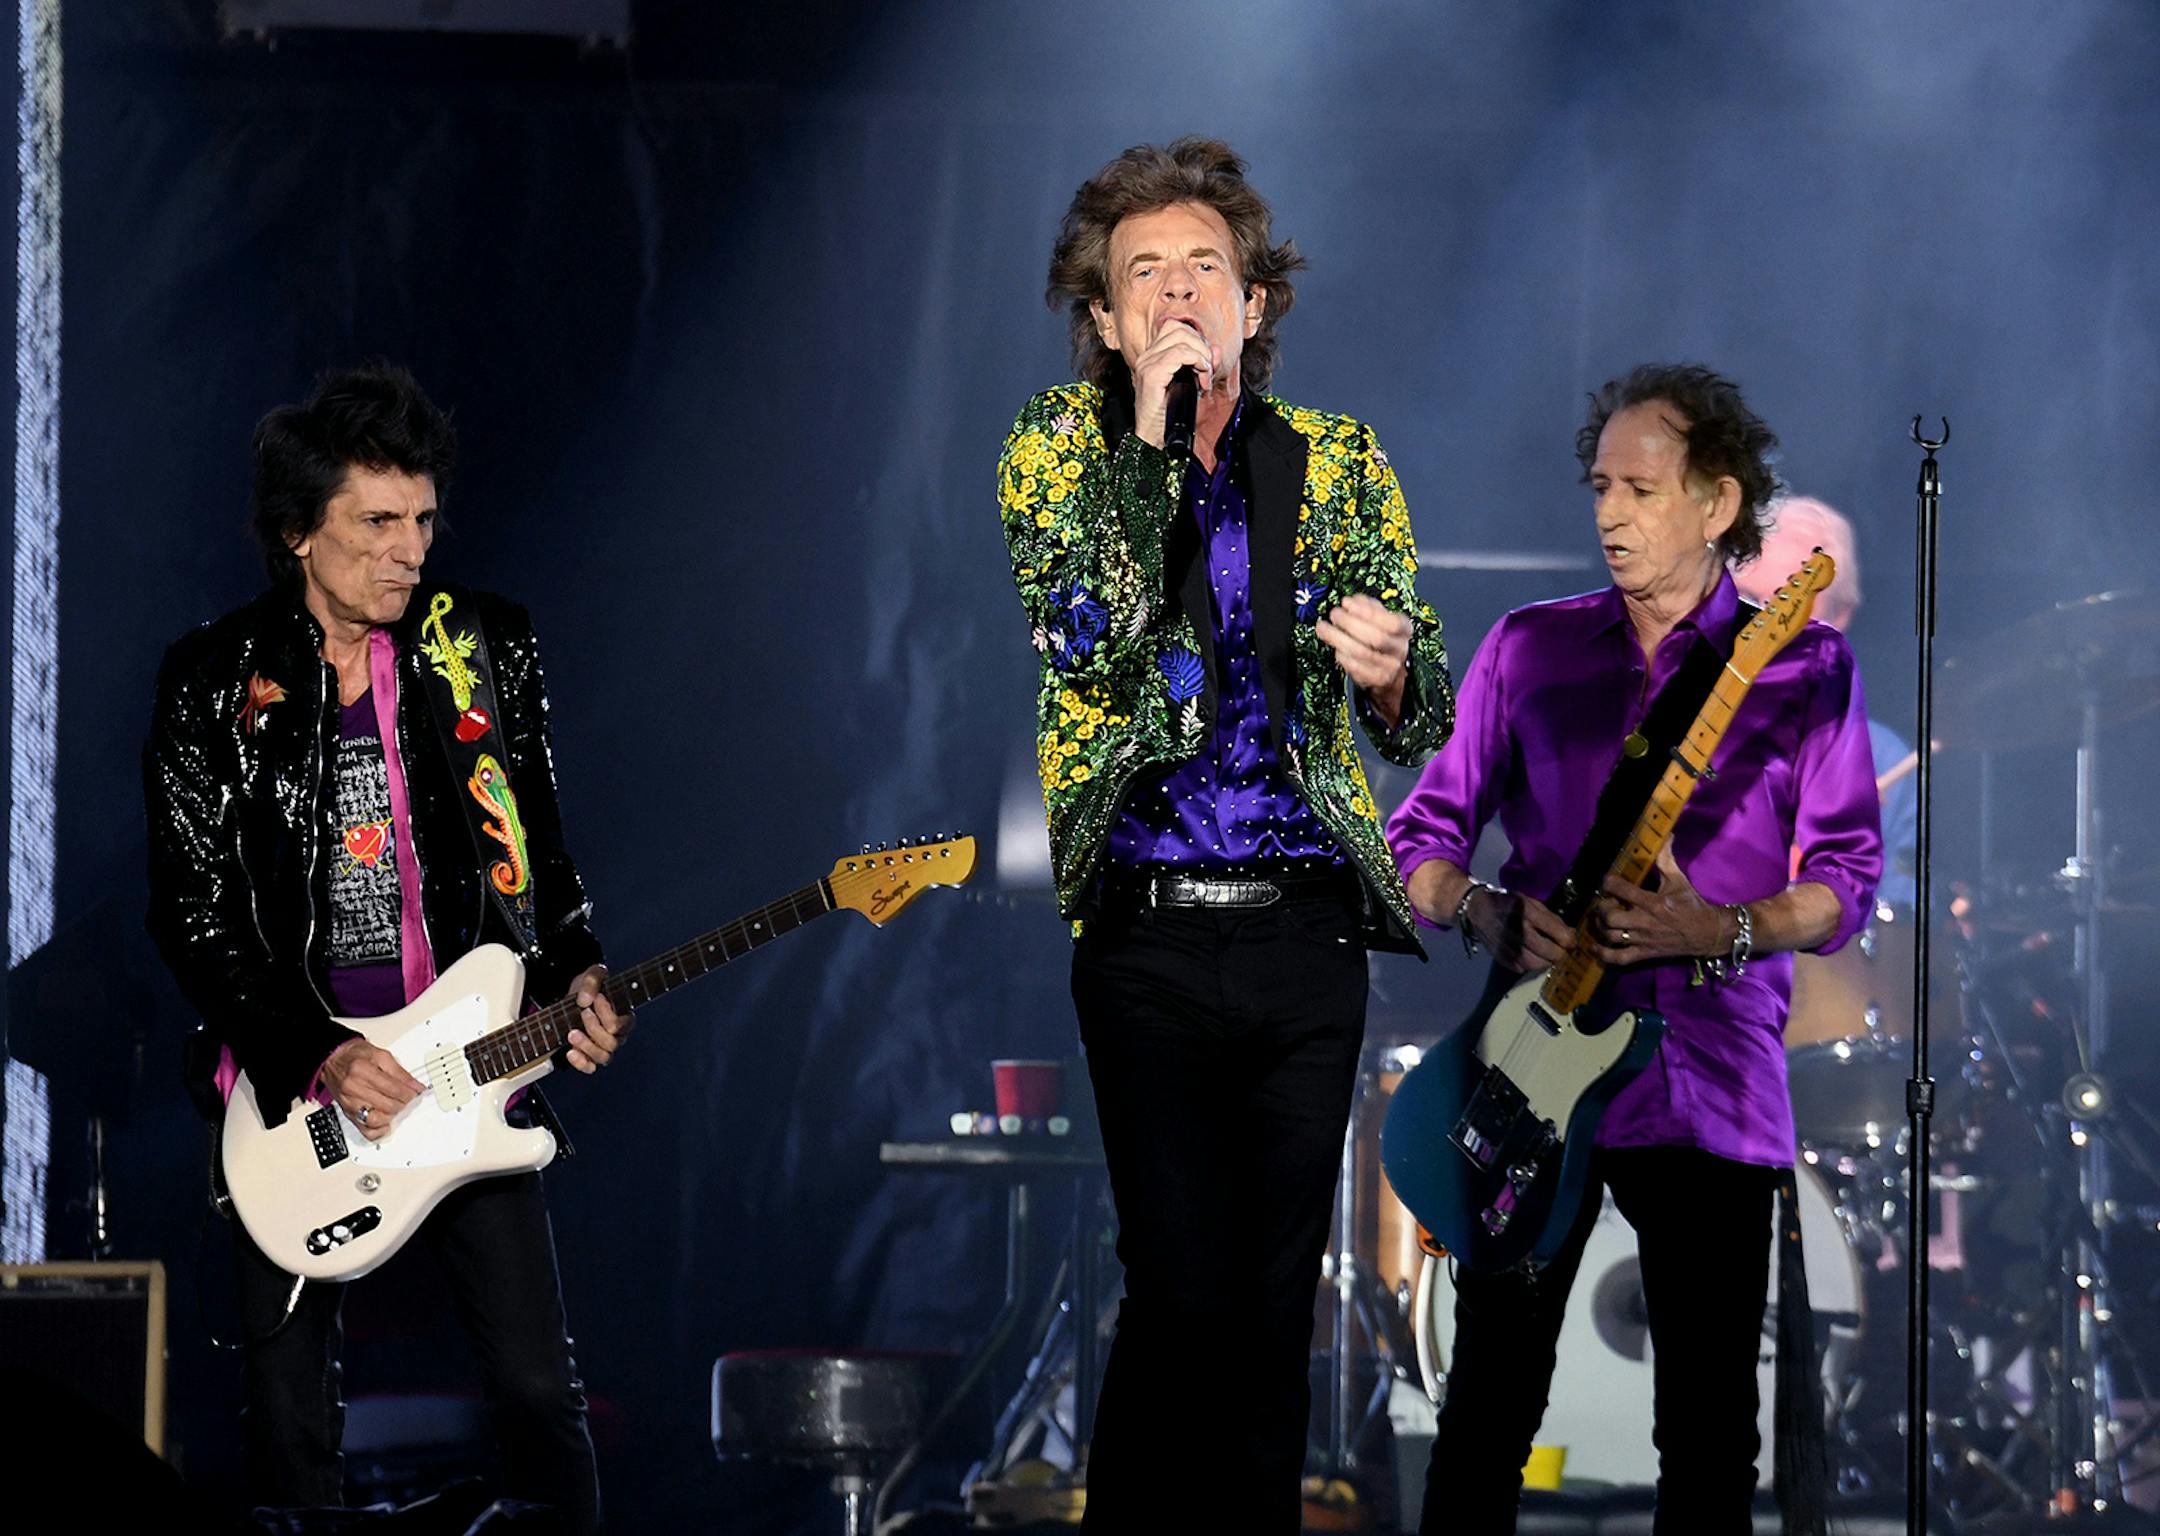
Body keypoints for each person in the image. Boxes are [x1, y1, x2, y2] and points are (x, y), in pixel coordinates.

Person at [997, 137, 1453, 1533]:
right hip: (1146, 930)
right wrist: (1148, 439)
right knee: (1179, 1288)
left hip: (1305, 934)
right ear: (1104, 318)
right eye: (1147, 274)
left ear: (1258, 303)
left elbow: (1421, 704)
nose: (1182, 291)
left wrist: (1389, 672)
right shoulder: (1053, 452)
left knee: (1269, 1316)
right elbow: (1086, 642)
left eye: (1209, 268)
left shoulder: (1342, 461)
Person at [1385, 363, 1883, 1534]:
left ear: (1717, 504)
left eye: (1641, 488)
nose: (1609, 512)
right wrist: (1481, 910)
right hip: (1533, 1061)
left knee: (1709, 1433)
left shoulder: (1804, 668)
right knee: (1488, 1410)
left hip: (1708, 1074)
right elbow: (1420, 836)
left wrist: (1722, 928)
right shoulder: (1528, 650)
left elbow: (1845, 885)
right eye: (1598, 485)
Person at [143, 362, 627, 1530]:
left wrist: (580, 976)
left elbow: (541, 860)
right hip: (293, 1091)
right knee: (291, 1417)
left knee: (533, 1389)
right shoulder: (212, 683)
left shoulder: (482, 647)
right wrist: (315, 1050)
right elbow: (190, 912)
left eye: (421, 520)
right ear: (298, 534)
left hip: (467, 1070)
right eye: (375, 524)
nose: (409, 551)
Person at [1734, 494, 1917, 905]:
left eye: (1787, 606)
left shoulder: (1881, 758)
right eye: (1746, 599)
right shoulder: (1666, 726)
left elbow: (1893, 941)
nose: (1759, 627)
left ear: (1841, 616)